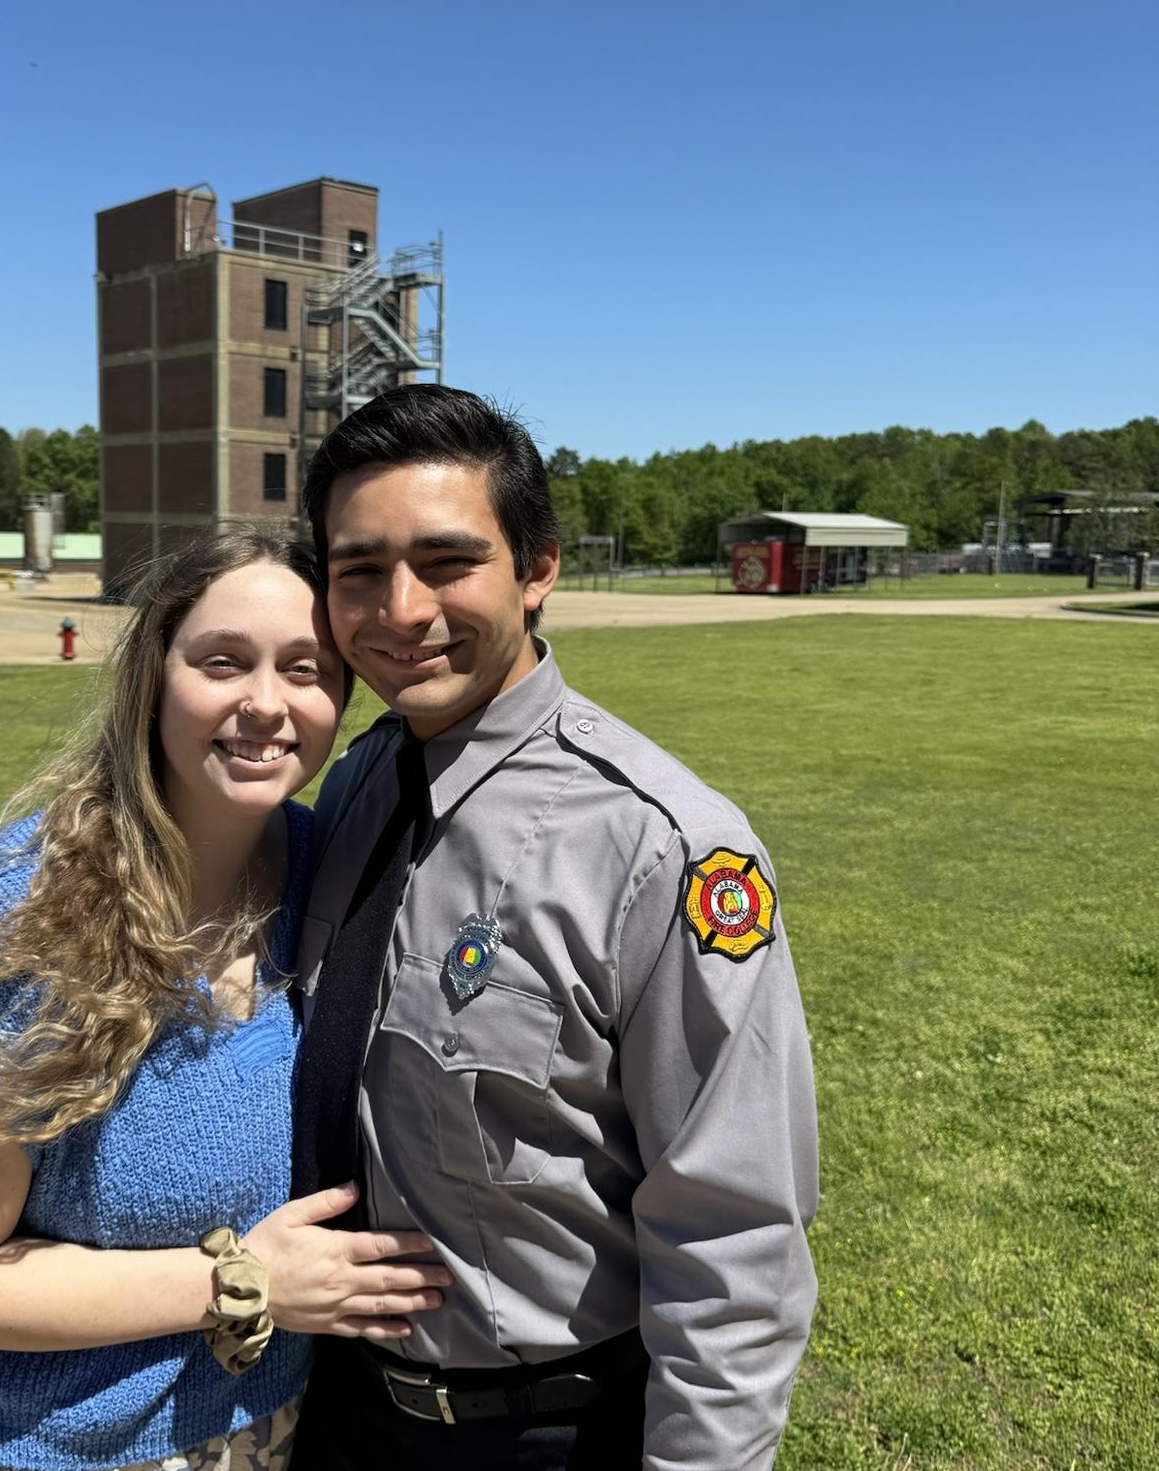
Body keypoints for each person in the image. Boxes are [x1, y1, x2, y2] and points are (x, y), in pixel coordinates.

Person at [0, 529, 452, 1471]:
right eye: (223, 662)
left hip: (253, 1427)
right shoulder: (18, 914)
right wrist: (241, 1281)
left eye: (306, 669)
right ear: (153, 678)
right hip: (10, 1442)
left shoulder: (322, 872)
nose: (266, 705)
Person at [289, 385, 819, 1469]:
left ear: (537, 571)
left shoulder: (663, 846)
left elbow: (734, 1232)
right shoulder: (355, 786)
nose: (399, 609)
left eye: (447, 563)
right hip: (338, 1410)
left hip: (548, 1432)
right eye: (358, 571)